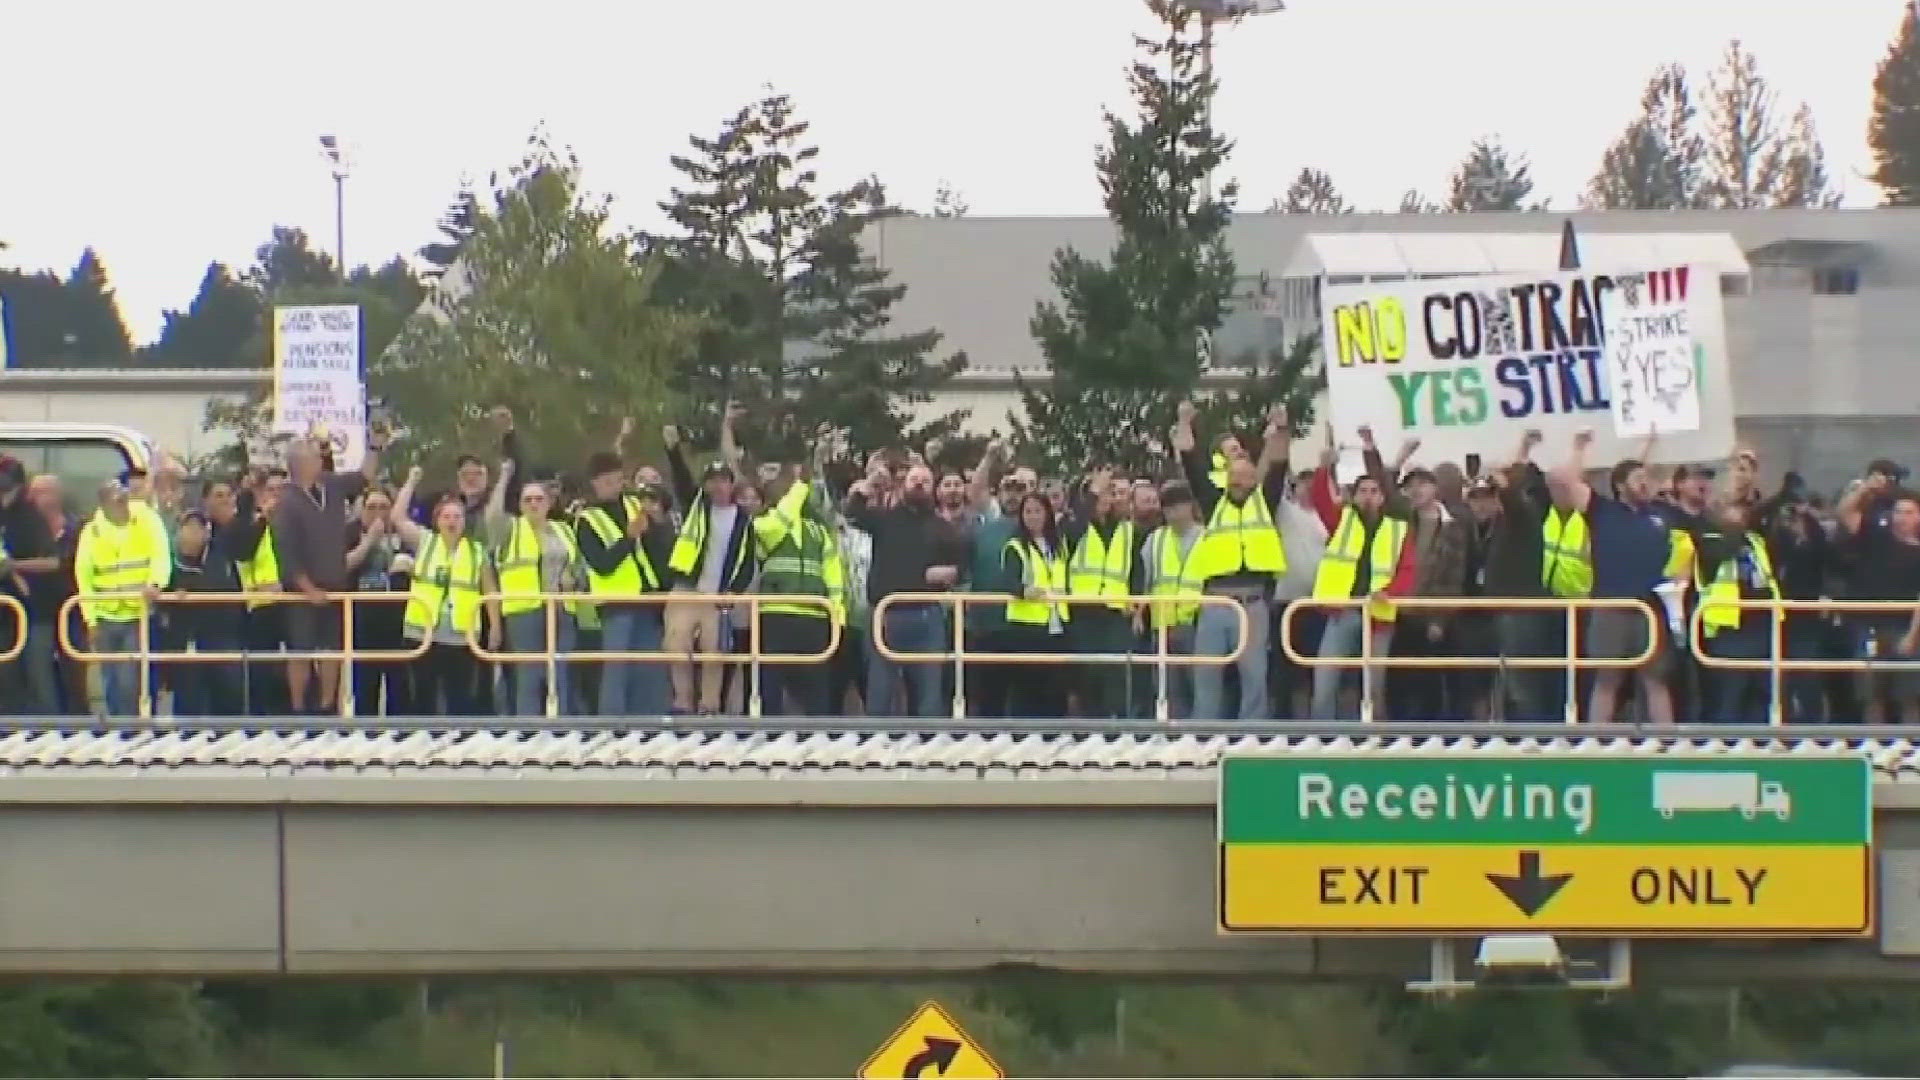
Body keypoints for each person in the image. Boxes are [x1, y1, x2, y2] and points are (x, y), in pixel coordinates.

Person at [1549, 428, 1676, 726]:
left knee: (1656, 681)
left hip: (1649, 608)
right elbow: (1566, 480)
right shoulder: (1602, 511)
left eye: (1647, 478)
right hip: (1611, 608)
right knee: (1607, 681)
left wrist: (1649, 444)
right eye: (1638, 480)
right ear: (1620, 485)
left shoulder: (1658, 515)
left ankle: (1669, 742)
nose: (1645, 483)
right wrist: (1579, 447)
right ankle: (1596, 741)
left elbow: (1637, 469)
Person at [1174, 401, 1290, 721]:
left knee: (1254, 677)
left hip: (1252, 601)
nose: (1239, 482)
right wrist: (1184, 423)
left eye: (1245, 476)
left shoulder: (1265, 501)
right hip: (1215, 602)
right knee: (1207, 675)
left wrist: (1281, 428)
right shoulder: (1214, 502)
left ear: (1254, 478)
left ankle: (1252, 737)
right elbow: (1191, 462)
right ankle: (1203, 736)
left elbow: (1279, 463)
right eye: (1234, 477)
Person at [271, 430, 383, 715]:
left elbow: (363, 477)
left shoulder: (331, 486)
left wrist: (374, 446)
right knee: (301, 651)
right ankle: (297, 709)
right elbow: (286, 552)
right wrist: (307, 588)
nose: (321, 459)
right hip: (301, 592)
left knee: (332, 649)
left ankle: (327, 704)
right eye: (314, 456)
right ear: (301, 463)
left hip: (336, 584)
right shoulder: (286, 502)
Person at [1305, 426, 1412, 721]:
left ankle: (1373, 739)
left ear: (1382, 497)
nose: (1367, 496)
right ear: (1354, 496)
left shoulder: (1397, 528)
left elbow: (1407, 570)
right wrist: (1325, 466)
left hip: (1378, 613)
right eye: (1362, 491)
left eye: (1373, 491)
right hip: (1343, 610)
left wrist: (1389, 593)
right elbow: (1320, 497)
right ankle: (1323, 738)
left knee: (1374, 684)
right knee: (1324, 680)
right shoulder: (1342, 519)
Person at [845, 461, 967, 717]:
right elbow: (853, 513)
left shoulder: (943, 526)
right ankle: (876, 750)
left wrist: (952, 573)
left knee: (928, 695)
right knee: (880, 693)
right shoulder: (885, 519)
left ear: (933, 488)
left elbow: (964, 563)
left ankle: (927, 750)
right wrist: (868, 485)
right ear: (904, 486)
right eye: (914, 480)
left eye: (925, 480)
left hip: (927, 617)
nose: (920, 484)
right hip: (885, 616)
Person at [663, 416, 756, 714]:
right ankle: (682, 701)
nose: (717, 487)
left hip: (718, 595)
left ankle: (709, 705)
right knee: (677, 646)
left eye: (723, 481)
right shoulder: (696, 507)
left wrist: (734, 591)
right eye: (712, 481)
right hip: (687, 589)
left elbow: (746, 561)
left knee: (715, 651)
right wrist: (673, 449)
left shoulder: (743, 519)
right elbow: (680, 478)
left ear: (732, 485)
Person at [575, 452, 674, 716]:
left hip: (646, 599)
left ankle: (651, 721)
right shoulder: (587, 520)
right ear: (595, 483)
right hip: (615, 603)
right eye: (607, 481)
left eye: (618, 480)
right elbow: (602, 564)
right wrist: (629, 538)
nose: (614, 487)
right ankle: (613, 723)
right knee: (616, 668)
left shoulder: (634, 506)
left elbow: (655, 548)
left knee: (649, 667)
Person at [389, 478, 499, 715]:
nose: (452, 522)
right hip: (423, 631)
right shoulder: (426, 542)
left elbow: (489, 590)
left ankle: (456, 742)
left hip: (461, 634)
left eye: (457, 517)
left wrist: (496, 627)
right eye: (446, 517)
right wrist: (411, 481)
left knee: (459, 694)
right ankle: (424, 741)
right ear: (437, 521)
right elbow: (398, 517)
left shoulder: (476, 550)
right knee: (423, 693)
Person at [487, 459, 584, 716]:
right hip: (525, 611)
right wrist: (504, 478)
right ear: (520, 505)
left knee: (561, 673)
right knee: (529, 676)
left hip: (562, 609)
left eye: (538, 499)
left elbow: (579, 566)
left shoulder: (563, 530)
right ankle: (528, 729)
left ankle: (562, 729)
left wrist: (573, 580)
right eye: (527, 500)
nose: (533, 504)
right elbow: (493, 516)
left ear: (548, 503)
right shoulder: (511, 529)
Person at [751, 463, 844, 716]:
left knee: (817, 691)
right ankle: (768, 742)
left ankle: (817, 743)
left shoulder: (819, 532)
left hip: (814, 618)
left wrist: (837, 616)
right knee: (770, 687)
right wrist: (800, 485)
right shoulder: (764, 523)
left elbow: (833, 576)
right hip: (776, 615)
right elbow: (778, 524)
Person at [74, 478, 170, 715]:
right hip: (105, 615)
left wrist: (156, 584)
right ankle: (118, 729)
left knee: (130, 680)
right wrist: (91, 620)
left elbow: (160, 555)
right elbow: (83, 576)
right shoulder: (92, 531)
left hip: (138, 613)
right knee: (109, 680)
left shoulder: (147, 520)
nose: (121, 505)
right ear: (104, 504)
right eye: (115, 501)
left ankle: (130, 729)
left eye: (123, 499)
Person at [1065, 467, 1146, 718]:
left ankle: (1117, 732)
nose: (1104, 500)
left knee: (1118, 678)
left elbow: (1136, 574)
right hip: (1083, 611)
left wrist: (1138, 612)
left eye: (1108, 494)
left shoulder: (1127, 530)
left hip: (1116, 613)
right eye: (1098, 495)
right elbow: (1078, 522)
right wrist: (1093, 492)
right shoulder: (1073, 527)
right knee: (1088, 678)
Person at [1694, 495, 1782, 723]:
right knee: (1730, 698)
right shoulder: (1709, 539)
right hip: (1730, 630)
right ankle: (1725, 749)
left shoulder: (1755, 540)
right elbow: (1726, 550)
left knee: (1761, 696)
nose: (1740, 512)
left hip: (1762, 627)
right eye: (1732, 507)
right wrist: (1732, 523)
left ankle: (1759, 747)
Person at [163, 510, 245, 716]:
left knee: (229, 692)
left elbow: (222, 585)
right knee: (188, 695)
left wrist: (190, 591)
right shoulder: (168, 561)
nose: (192, 533)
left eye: (197, 528)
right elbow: (163, 593)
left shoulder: (222, 556)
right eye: (187, 528)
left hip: (222, 633)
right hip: (186, 637)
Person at [1001, 492, 1070, 718]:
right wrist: (1024, 591)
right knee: (1027, 687)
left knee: (1055, 687)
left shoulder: (1059, 544)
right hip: (1027, 624)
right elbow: (1008, 581)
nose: (1032, 517)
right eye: (1027, 511)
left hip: (1057, 622)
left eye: (1038, 511)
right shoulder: (1015, 546)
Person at [345, 486, 413, 716]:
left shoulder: (404, 537)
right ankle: (367, 739)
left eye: (384, 507)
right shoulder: (349, 535)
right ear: (361, 510)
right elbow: (341, 566)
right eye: (371, 507)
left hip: (399, 622)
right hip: (363, 622)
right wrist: (369, 542)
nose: (377, 512)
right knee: (365, 689)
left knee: (400, 690)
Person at [1142, 482, 1206, 719]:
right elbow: (1146, 581)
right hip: (1162, 626)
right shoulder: (1155, 540)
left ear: (1190, 506)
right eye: (1167, 508)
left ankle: (1199, 739)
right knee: (1167, 690)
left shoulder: (1206, 537)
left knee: (1199, 688)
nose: (1172, 513)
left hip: (1197, 624)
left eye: (1177, 506)